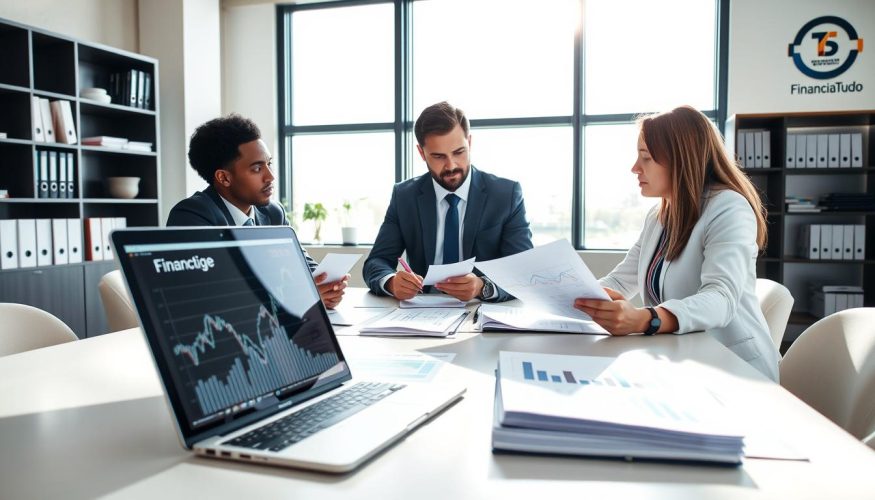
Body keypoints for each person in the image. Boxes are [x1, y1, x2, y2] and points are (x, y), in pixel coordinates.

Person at [573, 105, 780, 382]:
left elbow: (721, 299)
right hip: (683, 361)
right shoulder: (659, 215)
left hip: (735, 370)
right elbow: (621, 282)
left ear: (680, 159)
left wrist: (647, 319)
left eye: (645, 158)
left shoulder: (728, 208)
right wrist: (571, 296)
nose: (635, 168)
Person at [166, 114, 348, 309]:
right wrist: (302, 296)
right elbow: (217, 293)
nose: (270, 176)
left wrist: (327, 287)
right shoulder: (192, 215)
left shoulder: (273, 213)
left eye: (269, 164)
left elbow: (303, 266)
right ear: (224, 178)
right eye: (256, 169)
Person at [363, 101, 533, 302]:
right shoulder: (404, 196)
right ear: (421, 153)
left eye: (459, 152)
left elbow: (523, 272)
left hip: (482, 312)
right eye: (438, 156)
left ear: (469, 142)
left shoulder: (506, 195)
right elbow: (377, 261)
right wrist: (391, 282)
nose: (451, 165)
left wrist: (483, 287)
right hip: (421, 313)